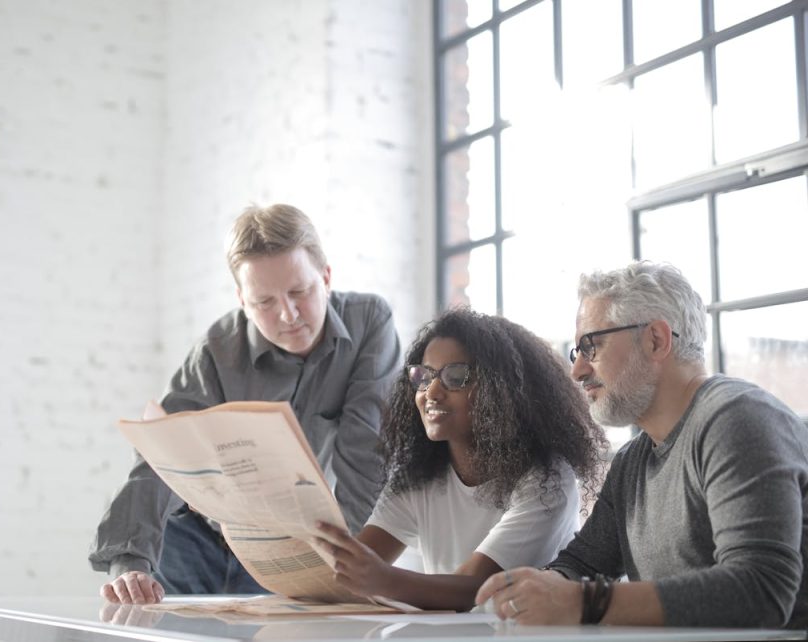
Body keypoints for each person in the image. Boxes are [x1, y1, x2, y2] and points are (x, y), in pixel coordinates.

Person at [90, 203, 402, 604]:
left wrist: (350, 569)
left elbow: (367, 455)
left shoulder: (369, 323)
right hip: (194, 540)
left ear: (326, 277)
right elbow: (161, 456)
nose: (288, 315)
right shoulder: (217, 350)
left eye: (299, 292)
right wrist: (129, 563)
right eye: (264, 302)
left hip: (293, 550)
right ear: (241, 299)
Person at [476, 261, 808, 628]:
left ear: (656, 340)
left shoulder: (737, 419)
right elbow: (582, 565)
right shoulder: (633, 460)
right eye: (577, 353)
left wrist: (584, 602)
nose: (577, 371)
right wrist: (540, 589)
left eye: (592, 346)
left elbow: (761, 591)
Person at [313, 307, 606, 611]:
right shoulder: (418, 476)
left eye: (455, 377)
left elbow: (476, 590)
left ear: (502, 389)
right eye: (423, 377)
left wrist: (383, 580)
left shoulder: (547, 480)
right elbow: (353, 568)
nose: (431, 392)